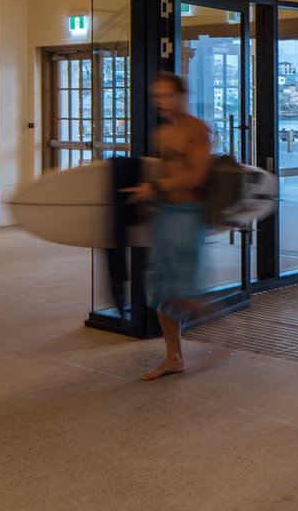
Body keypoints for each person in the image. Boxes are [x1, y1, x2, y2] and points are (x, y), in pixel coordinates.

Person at [124, 70, 212, 381]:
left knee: (182, 291)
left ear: (181, 96)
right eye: (157, 96)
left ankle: (226, 324)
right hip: (164, 213)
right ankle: (174, 356)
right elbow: (164, 174)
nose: (162, 102)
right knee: (160, 290)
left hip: (188, 215)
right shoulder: (161, 134)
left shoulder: (197, 130)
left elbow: (196, 176)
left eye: (167, 95)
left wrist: (155, 187)